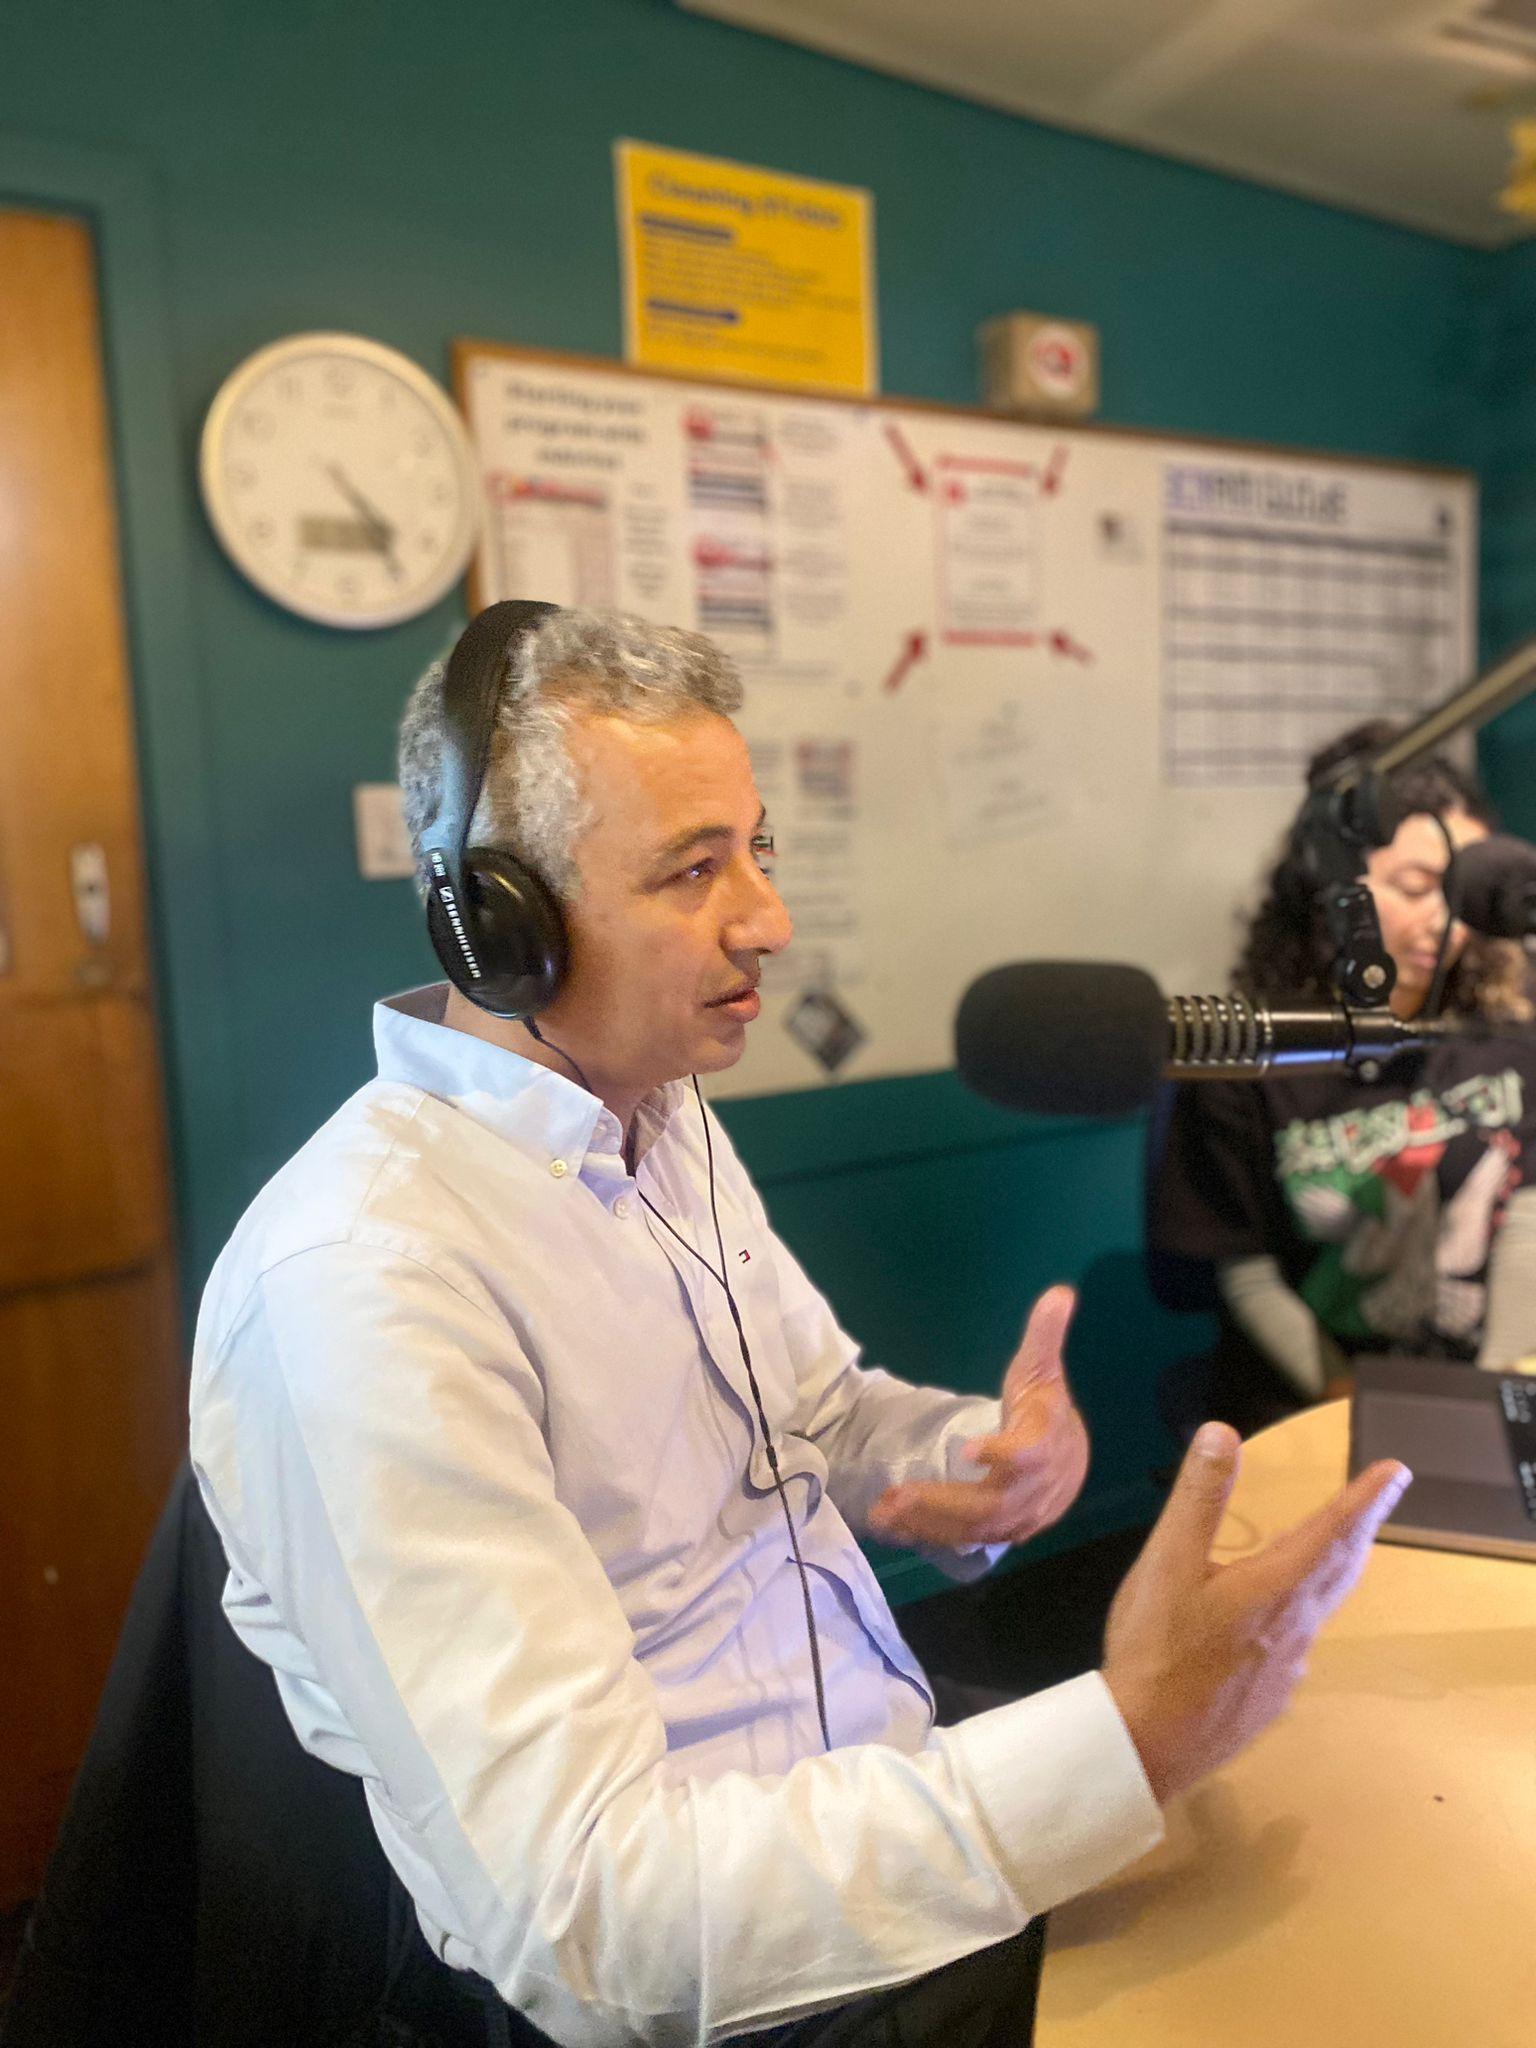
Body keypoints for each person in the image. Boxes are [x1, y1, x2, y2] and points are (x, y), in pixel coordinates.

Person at [190, 605, 1409, 2048]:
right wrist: (1128, 1740)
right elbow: (590, 1924)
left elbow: (817, 1413)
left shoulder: (658, 1110)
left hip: (866, 1784)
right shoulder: (365, 1283)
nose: (767, 918)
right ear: (499, 923)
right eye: (692, 869)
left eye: (756, 849)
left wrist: (972, 1454)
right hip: (720, 1983)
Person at [1150, 719, 1536, 1441]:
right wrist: (1358, 1410)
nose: (1446, 921)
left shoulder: (1509, 1026)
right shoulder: (1252, 1056)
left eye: (1468, 891)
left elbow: (1526, 1211)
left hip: (1476, 1377)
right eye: (1416, 887)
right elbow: (1247, 1273)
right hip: (1314, 1401)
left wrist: (1498, 1395)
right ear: (1330, 889)